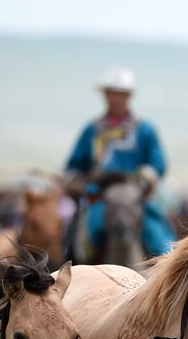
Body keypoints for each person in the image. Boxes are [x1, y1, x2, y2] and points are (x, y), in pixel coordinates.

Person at [65, 67, 176, 260]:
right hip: (99, 197)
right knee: (82, 240)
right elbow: (74, 165)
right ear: (105, 95)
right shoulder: (92, 129)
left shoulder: (145, 129)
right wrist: (74, 180)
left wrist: (146, 177)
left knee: (161, 241)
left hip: (135, 198)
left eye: (121, 94)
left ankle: (169, 276)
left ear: (129, 96)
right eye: (111, 93)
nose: (115, 98)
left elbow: (158, 164)